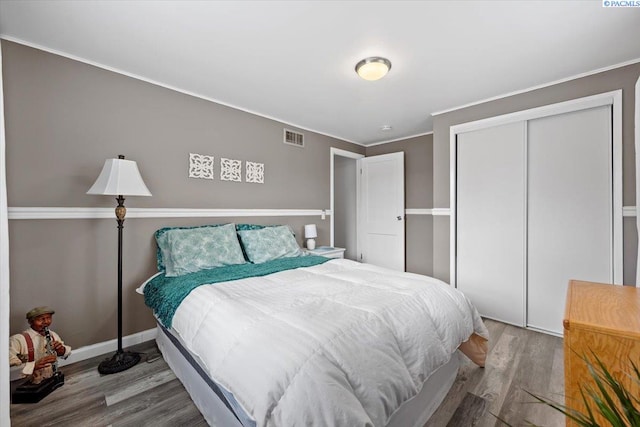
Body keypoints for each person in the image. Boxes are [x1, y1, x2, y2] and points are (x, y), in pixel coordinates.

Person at [9, 307, 71, 384]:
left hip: (50, 380)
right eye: (41, 319)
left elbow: (65, 354)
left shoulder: (53, 335)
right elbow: (9, 365)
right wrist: (33, 366)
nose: (46, 322)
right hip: (28, 383)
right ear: (31, 322)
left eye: (49, 318)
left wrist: (61, 350)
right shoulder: (17, 339)